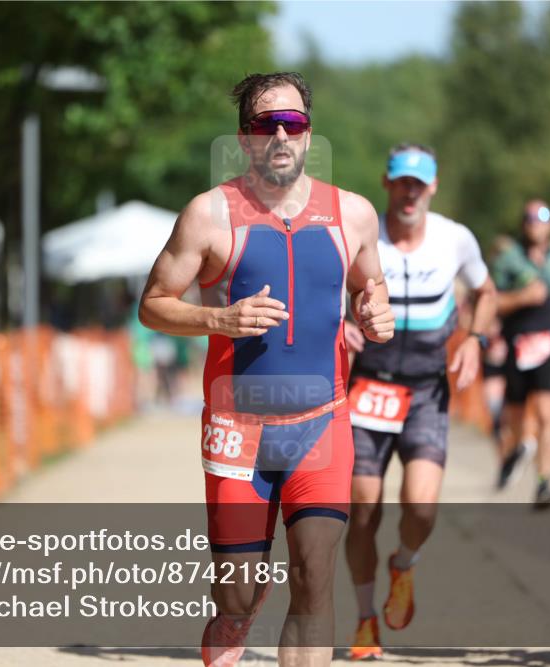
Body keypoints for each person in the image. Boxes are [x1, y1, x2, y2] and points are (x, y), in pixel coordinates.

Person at [139, 71, 394, 667]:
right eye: (265, 124)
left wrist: (377, 312)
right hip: (238, 430)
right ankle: (236, 616)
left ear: (308, 133)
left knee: (313, 576)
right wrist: (221, 320)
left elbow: (371, 286)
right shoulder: (208, 216)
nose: (280, 135)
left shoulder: (353, 214)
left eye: (293, 123)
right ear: (244, 137)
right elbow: (152, 305)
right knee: (236, 591)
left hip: (322, 423)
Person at [341, 143, 497, 660]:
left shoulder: (455, 238)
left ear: (432, 187)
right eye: (401, 181)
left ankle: (403, 564)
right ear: (387, 183)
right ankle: (366, 620)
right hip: (367, 387)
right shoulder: (362, 232)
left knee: (422, 506)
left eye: (419, 183)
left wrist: (474, 339)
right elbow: (324, 291)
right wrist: (341, 323)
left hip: (427, 387)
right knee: (363, 510)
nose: (409, 192)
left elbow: (486, 291)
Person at [492, 200, 550, 508]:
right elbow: (492, 301)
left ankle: (544, 482)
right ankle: (517, 451)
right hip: (517, 343)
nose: (536, 225)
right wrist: (522, 297)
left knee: (547, 412)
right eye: (530, 219)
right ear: (523, 224)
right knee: (515, 415)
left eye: (542, 220)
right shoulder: (509, 259)